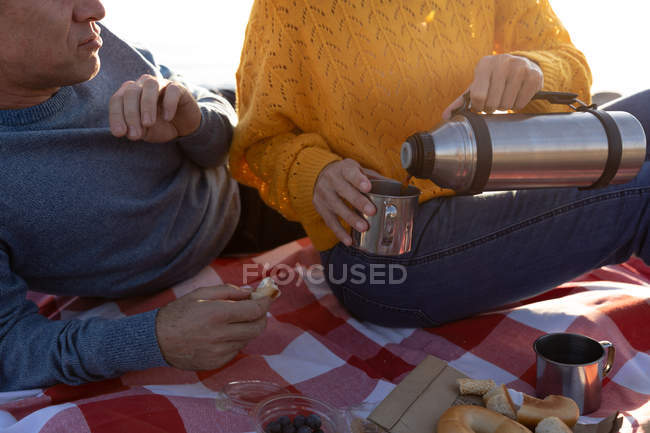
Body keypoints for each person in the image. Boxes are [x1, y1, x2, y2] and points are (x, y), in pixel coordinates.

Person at [231, 0, 650, 327]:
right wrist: (314, 174)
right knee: (644, 190)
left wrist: (534, 69)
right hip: (382, 249)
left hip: (484, 176)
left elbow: (568, 62)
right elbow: (260, 142)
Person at [0, 0, 272, 391]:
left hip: (247, 189)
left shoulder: (88, 44)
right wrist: (153, 340)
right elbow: (9, 349)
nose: (96, 9)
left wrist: (193, 121)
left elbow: (220, 131)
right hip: (170, 288)